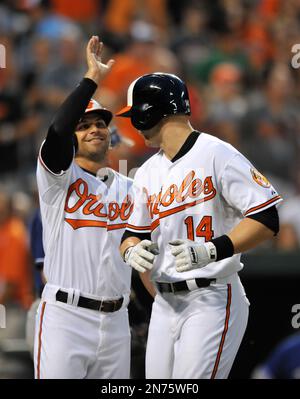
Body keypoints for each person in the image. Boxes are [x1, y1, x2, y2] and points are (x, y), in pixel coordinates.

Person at [117, 72, 282, 379]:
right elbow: (132, 235)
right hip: (165, 303)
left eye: (134, 115)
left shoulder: (216, 153)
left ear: (148, 112)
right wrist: (130, 252)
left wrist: (211, 250)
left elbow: (267, 218)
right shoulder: (146, 172)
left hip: (211, 297)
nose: (133, 125)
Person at [34, 36, 133, 379]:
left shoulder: (131, 188)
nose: (94, 129)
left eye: (100, 123)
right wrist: (92, 78)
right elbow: (58, 128)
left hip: (118, 321)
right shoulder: (58, 178)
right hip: (67, 316)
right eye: (85, 125)